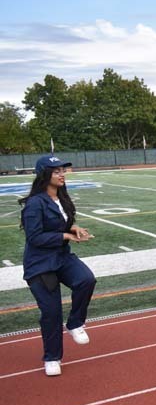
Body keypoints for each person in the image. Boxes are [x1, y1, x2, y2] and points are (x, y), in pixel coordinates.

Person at [19, 155, 97, 376]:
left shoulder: (61, 197)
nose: (62, 174)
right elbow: (35, 237)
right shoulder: (35, 203)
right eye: (57, 171)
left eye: (63, 170)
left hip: (62, 257)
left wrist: (74, 228)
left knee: (86, 279)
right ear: (45, 175)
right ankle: (52, 357)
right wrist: (65, 236)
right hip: (40, 264)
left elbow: (64, 222)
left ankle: (74, 323)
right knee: (51, 312)